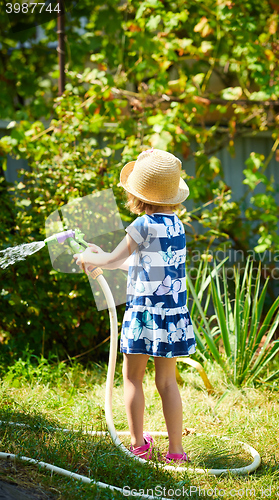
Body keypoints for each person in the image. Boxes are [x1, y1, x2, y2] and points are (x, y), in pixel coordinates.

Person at [73, 148, 196, 463]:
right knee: (167, 381)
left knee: (132, 379)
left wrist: (91, 257)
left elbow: (114, 261)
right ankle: (176, 452)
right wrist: (104, 256)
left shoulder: (141, 225)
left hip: (143, 316)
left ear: (136, 195)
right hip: (170, 316)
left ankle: (139, 444)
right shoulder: (176, 226)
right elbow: (150, 269)